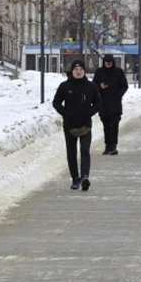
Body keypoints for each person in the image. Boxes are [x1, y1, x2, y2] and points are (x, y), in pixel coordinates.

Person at [52, 58, 100, 190]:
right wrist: (65, 113)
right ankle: (75, 178)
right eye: (76, 69)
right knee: (71, 153)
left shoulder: (91, 86)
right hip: (70, 125)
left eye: (81, 69)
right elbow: (56, 102)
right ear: (72, 71)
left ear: (84, 71)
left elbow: (98, 102)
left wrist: (89, 112)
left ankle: (85, 177)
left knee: (85, 150)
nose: (78, 72)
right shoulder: (65, 86)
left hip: (85, 125)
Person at [93, 53, 128, 155]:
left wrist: (118, 95)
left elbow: (124, 86)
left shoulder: (119, 72)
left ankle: (113, 146)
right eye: (106, 62)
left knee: (114, 125)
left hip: (115, 104)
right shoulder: (99, 72)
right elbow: (93, 85)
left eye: (110, 62)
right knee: (106, 126)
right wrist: (100, 87)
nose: (108, 64)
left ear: (113, 62)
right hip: (103, 103)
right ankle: (107, 145)